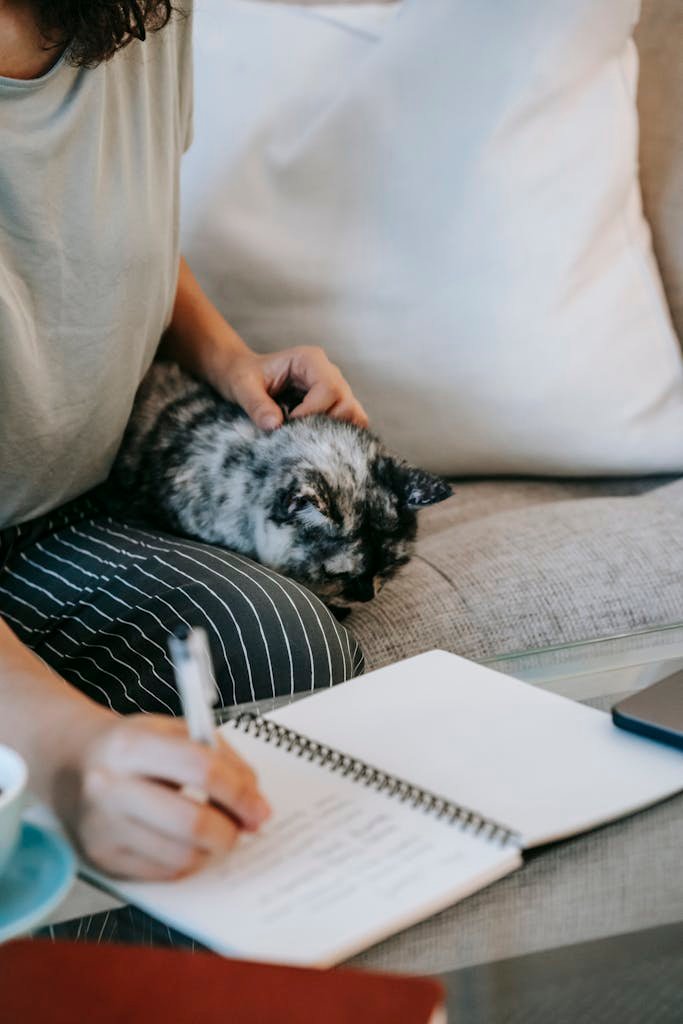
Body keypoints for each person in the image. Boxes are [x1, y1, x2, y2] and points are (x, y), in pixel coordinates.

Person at [0, 1, 367, 882]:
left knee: (283, 645)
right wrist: (68, 755)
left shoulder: (138, 12)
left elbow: (115, 222)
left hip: (56, 522)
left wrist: (227, 358)